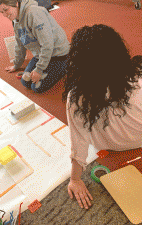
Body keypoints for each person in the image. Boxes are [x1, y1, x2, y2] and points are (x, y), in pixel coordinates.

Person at [62, 24, 142, 210]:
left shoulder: (76, 97)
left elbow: (79, 140)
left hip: (108, 145)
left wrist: (75, 179)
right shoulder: (137, 81)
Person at [0, 0, 70, 93]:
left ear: (16, 4)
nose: (5, 15)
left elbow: (47, 43)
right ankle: (47, 66)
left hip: (57, 54)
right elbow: (20, 43)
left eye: (6, 10)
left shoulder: (34, 13)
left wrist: (39, 69)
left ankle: (66, 64)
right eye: (2, 12)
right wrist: (16, 64)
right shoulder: (15, 19)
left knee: (37, 87)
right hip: (40, 55)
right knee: (25, 82)